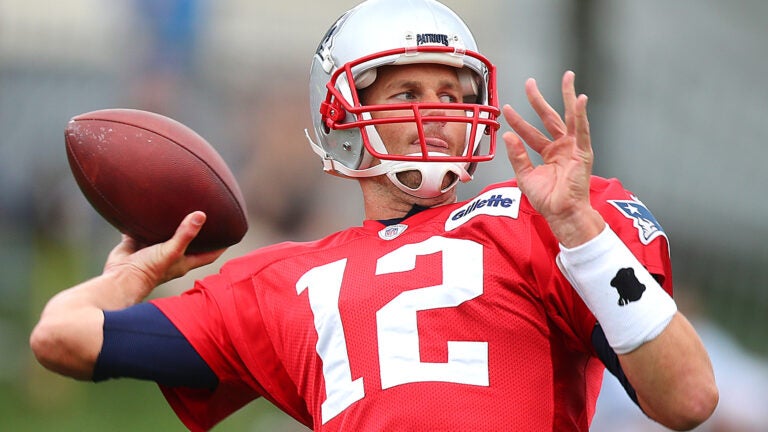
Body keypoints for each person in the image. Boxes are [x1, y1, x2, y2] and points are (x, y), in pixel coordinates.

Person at [30, 0, 718, 431]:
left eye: (453, 92)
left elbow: (687, 399)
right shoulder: (281, 281)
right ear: (343, 114)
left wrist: (581, 232)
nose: (438, 112)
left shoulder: (546, 219)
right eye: (408, 90)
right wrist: (138, 272)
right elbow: (62, 336)